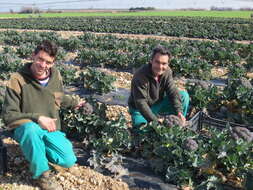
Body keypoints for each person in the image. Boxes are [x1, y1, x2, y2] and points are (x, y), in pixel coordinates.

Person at [1, 40, 92, 190]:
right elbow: (9, 115)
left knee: (68, 160)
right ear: (33, 56)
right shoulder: (17, 79)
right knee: (31, 130)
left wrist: (78, 103)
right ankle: (42, 176)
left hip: (50, 128)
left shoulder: (56, 76)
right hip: (25, 128)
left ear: (53, 62)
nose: (43, 65)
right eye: (40, 59)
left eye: (48, 62)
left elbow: (59, 98)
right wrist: (38, 118)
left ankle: (36, 153)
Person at [128, 45, 189, 128]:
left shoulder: (167, 72)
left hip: (157, 105)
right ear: (151, 61)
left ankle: (177, 124)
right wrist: (155, 121)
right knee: (142, 129)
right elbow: (141, 103)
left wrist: (179, 112)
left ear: (168, 64)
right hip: (139, 110)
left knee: (183, 96)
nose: (160, 67)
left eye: (164, 64)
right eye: (157, 62)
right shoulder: (140, 76)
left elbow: (172, 91)